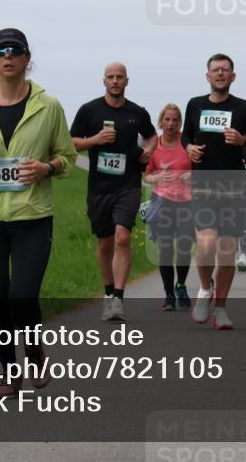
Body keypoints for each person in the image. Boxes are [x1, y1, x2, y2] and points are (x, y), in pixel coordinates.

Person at [0, 28, 77, 398]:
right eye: (1, 50)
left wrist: (46, 168)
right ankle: (8, 371)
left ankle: (34, 351)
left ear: (26, 58)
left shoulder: (48, 106)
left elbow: (67, 157)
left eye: (15, 50)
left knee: (22, 296)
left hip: (32, 217)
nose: (8, 56)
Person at [182, 53, 246, 330]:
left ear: (233, 76)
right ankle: (205, 288)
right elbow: (186, 135)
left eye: (225, 70)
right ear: (207, 76)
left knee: (227, 252)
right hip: (203, 185)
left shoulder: (244, 108)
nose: (220, 73)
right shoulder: (195, 104)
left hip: (233, 188)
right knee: (206, 246)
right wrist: (188, 148)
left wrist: (243, 140)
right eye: (215, 69)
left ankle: (220, 309)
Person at [70, 63, 157, 322]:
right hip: (99, 188)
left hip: (128, 185)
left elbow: (152, 137)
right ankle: (108, 293)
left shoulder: (137, 112)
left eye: (120, 77)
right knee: (105, 243)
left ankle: (118, 297)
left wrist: (148, 153)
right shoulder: (89, 110)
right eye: (111, 77)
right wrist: (95, 140)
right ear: (104, 81)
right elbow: (72, 143)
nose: (115, 81)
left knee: (122, 237)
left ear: (127, 81)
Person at [144, 104, 194, 311]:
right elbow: (146, 176)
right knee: (165, 249)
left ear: (180, 123)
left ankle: (180, 285)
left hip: (186, 203)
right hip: (162, 202)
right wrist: (155, 177)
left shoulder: (187, 143)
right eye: (167, 119)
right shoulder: (154, 145)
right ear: (161, 121)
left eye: (175, 120)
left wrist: (193, 175)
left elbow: (202, 167)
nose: (171, 124)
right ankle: (168, 296)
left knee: (184, 247)